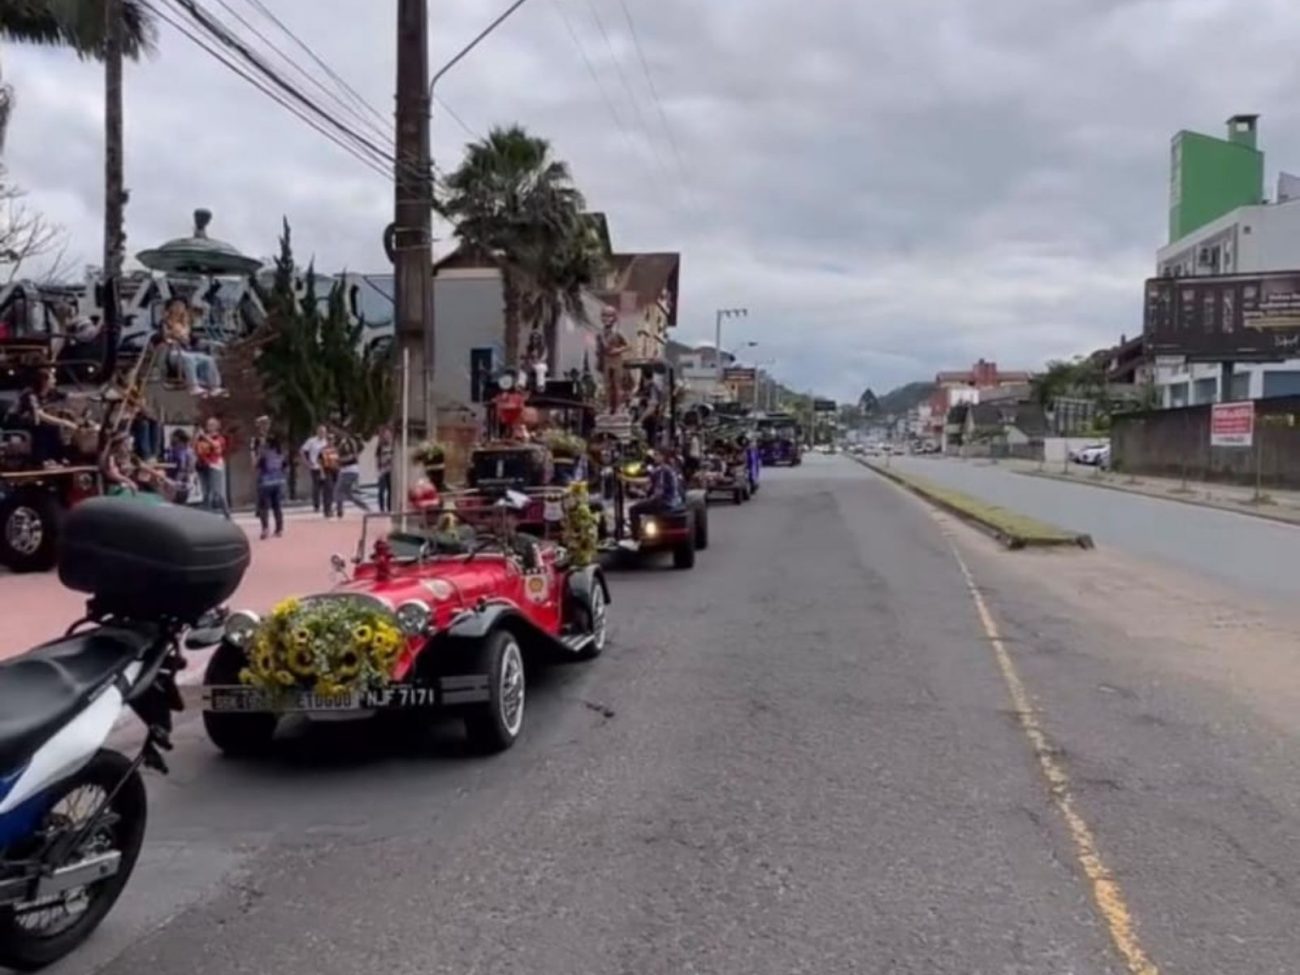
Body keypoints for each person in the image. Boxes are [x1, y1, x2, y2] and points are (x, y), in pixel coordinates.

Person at [161, 298, 225, 397]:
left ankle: (214, 386)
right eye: (176, 306)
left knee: (208, 359)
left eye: (181, 306)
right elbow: (160, 338)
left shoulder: (186, 325)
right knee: (189, 359)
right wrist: (172, 338)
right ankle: (193, 387)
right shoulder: (165, 324)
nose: (179, 309)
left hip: (188, 350)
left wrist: (212, 343)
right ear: (171, 308)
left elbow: (194, 341)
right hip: (174, 352)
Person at [15, 367, 77, 467]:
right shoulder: (30, 394)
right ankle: (42, 460)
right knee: (44, 428)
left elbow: (72, 396)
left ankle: (59, 458)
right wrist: (64, 422)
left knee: (55, 429)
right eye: (52, 379)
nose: (55, 381)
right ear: (44, 381)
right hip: (22, 423)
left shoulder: (52, 393)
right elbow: (40, 414)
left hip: (39, 422)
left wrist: (96, 395)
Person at [629, 447, 683, 541]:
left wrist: (625, 479)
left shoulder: (662, 469)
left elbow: (651, 485)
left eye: (656, 455)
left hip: (665, 502)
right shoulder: (669, 468)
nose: (654, 457)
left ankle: (635, 538)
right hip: (673, 501)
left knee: (633, 509)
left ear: (663, 457)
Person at [194, 416, 231, 518]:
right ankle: (207, 516)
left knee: (219, 493)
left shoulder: (220, 438)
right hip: (203, 466)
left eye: (211, 424)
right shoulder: (203, 438)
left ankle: (227, 515)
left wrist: (205, 437)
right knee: (206, 493)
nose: (208, 426)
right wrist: (196, 438)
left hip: (215, 466)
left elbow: (216, 447)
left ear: (216, 426)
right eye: (208, 424)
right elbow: (195, 449)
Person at [332, 426, 371, 516]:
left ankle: (339, 511)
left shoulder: (349, 442)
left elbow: (353, 455)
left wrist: (340, 460)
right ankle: (365, 507)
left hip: (350, 469)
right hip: (345, 470)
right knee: (348, 494)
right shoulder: (341, 442)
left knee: (338, 491)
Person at [255, 434, 287, 540]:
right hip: (278, 481)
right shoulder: (280, 454)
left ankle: (265, 528)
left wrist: (258, 454)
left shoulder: (264, 454)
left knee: (264, 507)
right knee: (277, 506)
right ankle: (279, 529)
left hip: (266, 482)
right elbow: (285, 467)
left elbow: (257, 466)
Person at [300, 423, 330, 514]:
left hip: (326, 467)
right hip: (315, 466)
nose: (322, 433)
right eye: (320, 431)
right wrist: (307, 462)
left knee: (327, 487)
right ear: (317, 432)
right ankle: (316, 505)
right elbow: (302, 451)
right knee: (316, 487)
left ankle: (327, 505)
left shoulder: (327, 441)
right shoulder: (312, 441)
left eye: (324, 432)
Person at [166, 428, 197, 505]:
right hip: (176, 478)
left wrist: (178, 480)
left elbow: (185, 467)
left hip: (180, 479)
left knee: (177, 501)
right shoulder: (173, 449)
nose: (171, 440)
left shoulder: (184, 451)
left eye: (172, 437)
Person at [375, 425, 395, 513]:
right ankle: (381, 508)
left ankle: (389, 507)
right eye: (385, 435)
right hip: (383, 470)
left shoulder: (393, 446)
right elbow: (377, 458)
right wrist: (378, 469)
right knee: (381, 490)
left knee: (390, 490)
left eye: (388, 434)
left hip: (390, 470)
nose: (387, 436)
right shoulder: (380, 446)